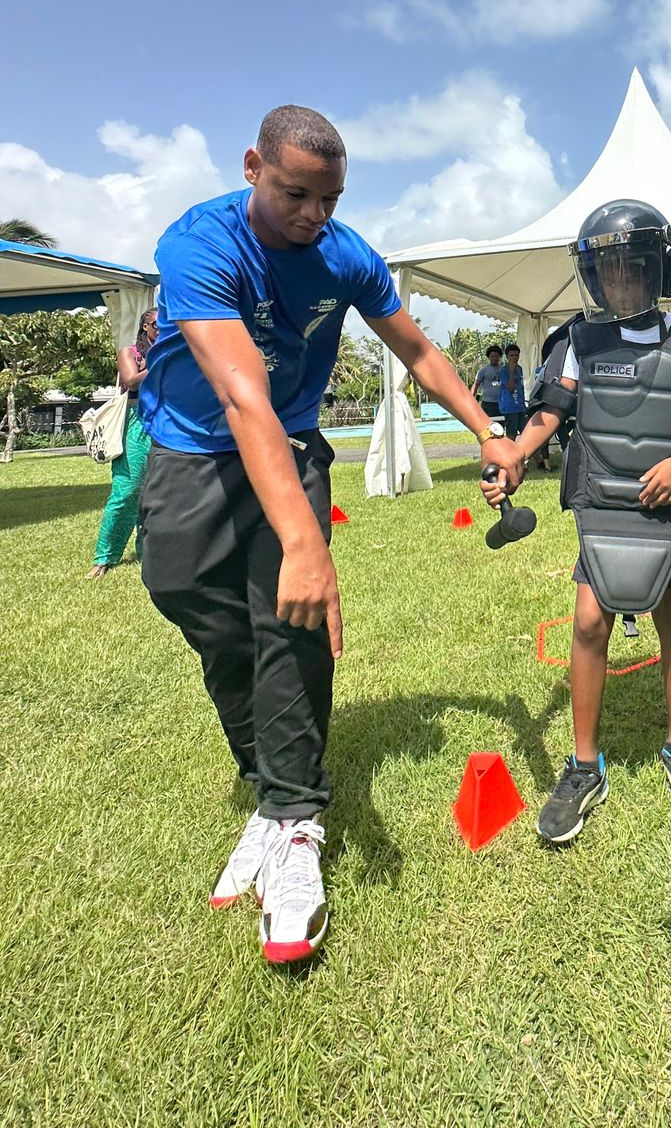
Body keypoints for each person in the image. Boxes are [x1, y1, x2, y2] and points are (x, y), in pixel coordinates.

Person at [139, 105, 524, 965]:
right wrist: (308, 548)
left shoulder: (345, 255)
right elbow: (241, 395)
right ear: (252, 167)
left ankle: (293, 815)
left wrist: (487, 430)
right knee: (184, 594)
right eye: (295, 194)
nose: (314, 214)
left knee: (292, 624)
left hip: (292, 442)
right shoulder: (199, 245)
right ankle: (267, 776)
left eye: (330, 199)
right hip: (193, 449)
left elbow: (418, 351)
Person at [481, 199, 671, 843]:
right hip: (602, 499)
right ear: (592, 277)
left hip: (669, 501)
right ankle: (584, 767)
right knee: (587, 621)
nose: (619, 280)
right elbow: (550, 412)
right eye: (607, 271)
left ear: (659, 270)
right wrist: (515, 457)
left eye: (631, 268)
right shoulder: (577, 342)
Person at [86, 307, 159, 578]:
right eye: (156, 324)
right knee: (127, 489)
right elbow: (131, 381)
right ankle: (104, 557)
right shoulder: (130, 353)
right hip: (136, 422)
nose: (162, 327)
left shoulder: (174, 348)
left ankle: (148, 552)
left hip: (167, 420)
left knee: (158, 490)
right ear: (145, 327)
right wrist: (159, 361)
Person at [498, 342, 527, 440]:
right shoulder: (504, 370)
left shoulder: (519, 369)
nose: (514, 358)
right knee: (511, 435)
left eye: (516, 355)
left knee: (525, 433)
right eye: (511, 356)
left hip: (520, 406)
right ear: (507, 357)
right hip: (510, 407)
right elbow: (510, 388)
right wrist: (511, 372)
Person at [472, 344, 505, 421]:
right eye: (492, 356)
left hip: (502, 403)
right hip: (488, 403)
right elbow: (476, 385)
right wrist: (471, 399)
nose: (494, 358)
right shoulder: (483, 370)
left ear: (500, 357)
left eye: (496, 356)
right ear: (488, 357)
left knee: (502, 424)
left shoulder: (504, 370)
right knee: (488, 425)